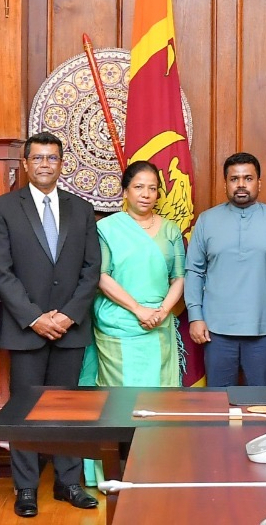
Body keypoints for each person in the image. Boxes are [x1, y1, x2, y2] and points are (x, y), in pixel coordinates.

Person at [0, 131, 101, 517]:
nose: (44, 164)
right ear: (25, 163)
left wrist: (68, 314)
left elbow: (91, 268)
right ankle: (26, 486)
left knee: (68, 408)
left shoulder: (81, 209)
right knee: (25, 409)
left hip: (71, 327)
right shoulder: (4, 208)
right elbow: (1, 271)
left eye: (52, 158)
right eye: (37, 158)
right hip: (26, 329)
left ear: (61, 163)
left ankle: (68, 482)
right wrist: (35, 317)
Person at [184, 152, 266, 387]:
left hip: (264, 330)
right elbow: (194, 272)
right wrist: (195, 316)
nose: (241, 184)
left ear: (259, 183)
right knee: (218, 401)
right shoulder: (207, 220)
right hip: (215, 331)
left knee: (261, 399)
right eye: (234, 179)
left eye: (248, 178)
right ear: (225, 184)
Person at [83, 160, 185, 388]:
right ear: (125, 191)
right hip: (119, 324)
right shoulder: (107, 228)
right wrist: (138, 310)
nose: (146, 194)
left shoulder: (171, 229)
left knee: (158, 395)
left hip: (158, 323)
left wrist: (162, 312)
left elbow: (179, 277)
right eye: (138, 187)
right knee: (120, 397)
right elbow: (101, 276)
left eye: (152, 188)